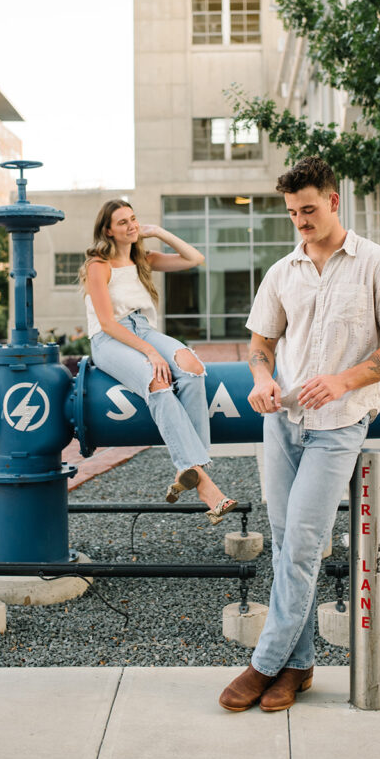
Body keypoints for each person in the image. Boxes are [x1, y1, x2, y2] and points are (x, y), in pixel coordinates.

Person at [219, 157, 380, 713]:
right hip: (282, 422)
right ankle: (298, 667)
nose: (301, 221)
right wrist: (261, 378)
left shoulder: (378, 263)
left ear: (334, 201)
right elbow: (261, 343)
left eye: (309, 209)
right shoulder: (282, 271)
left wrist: (343, 381)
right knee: (287, 545)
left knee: (303, 545)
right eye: (292, 213)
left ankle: (264, 664)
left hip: (340, 423)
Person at [81, 198, 237, 524]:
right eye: (122, 222)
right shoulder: (99, 265)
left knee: (193, 368)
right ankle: (206, 486)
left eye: (134, 219)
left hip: (143, 328)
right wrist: (150, 353)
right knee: (158, 383)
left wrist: (159, 231)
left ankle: (189, 467)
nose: (131, 225)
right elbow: (107, 323)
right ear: (108, 230)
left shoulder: (144, 259)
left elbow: (195, 258)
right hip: (110, 339)